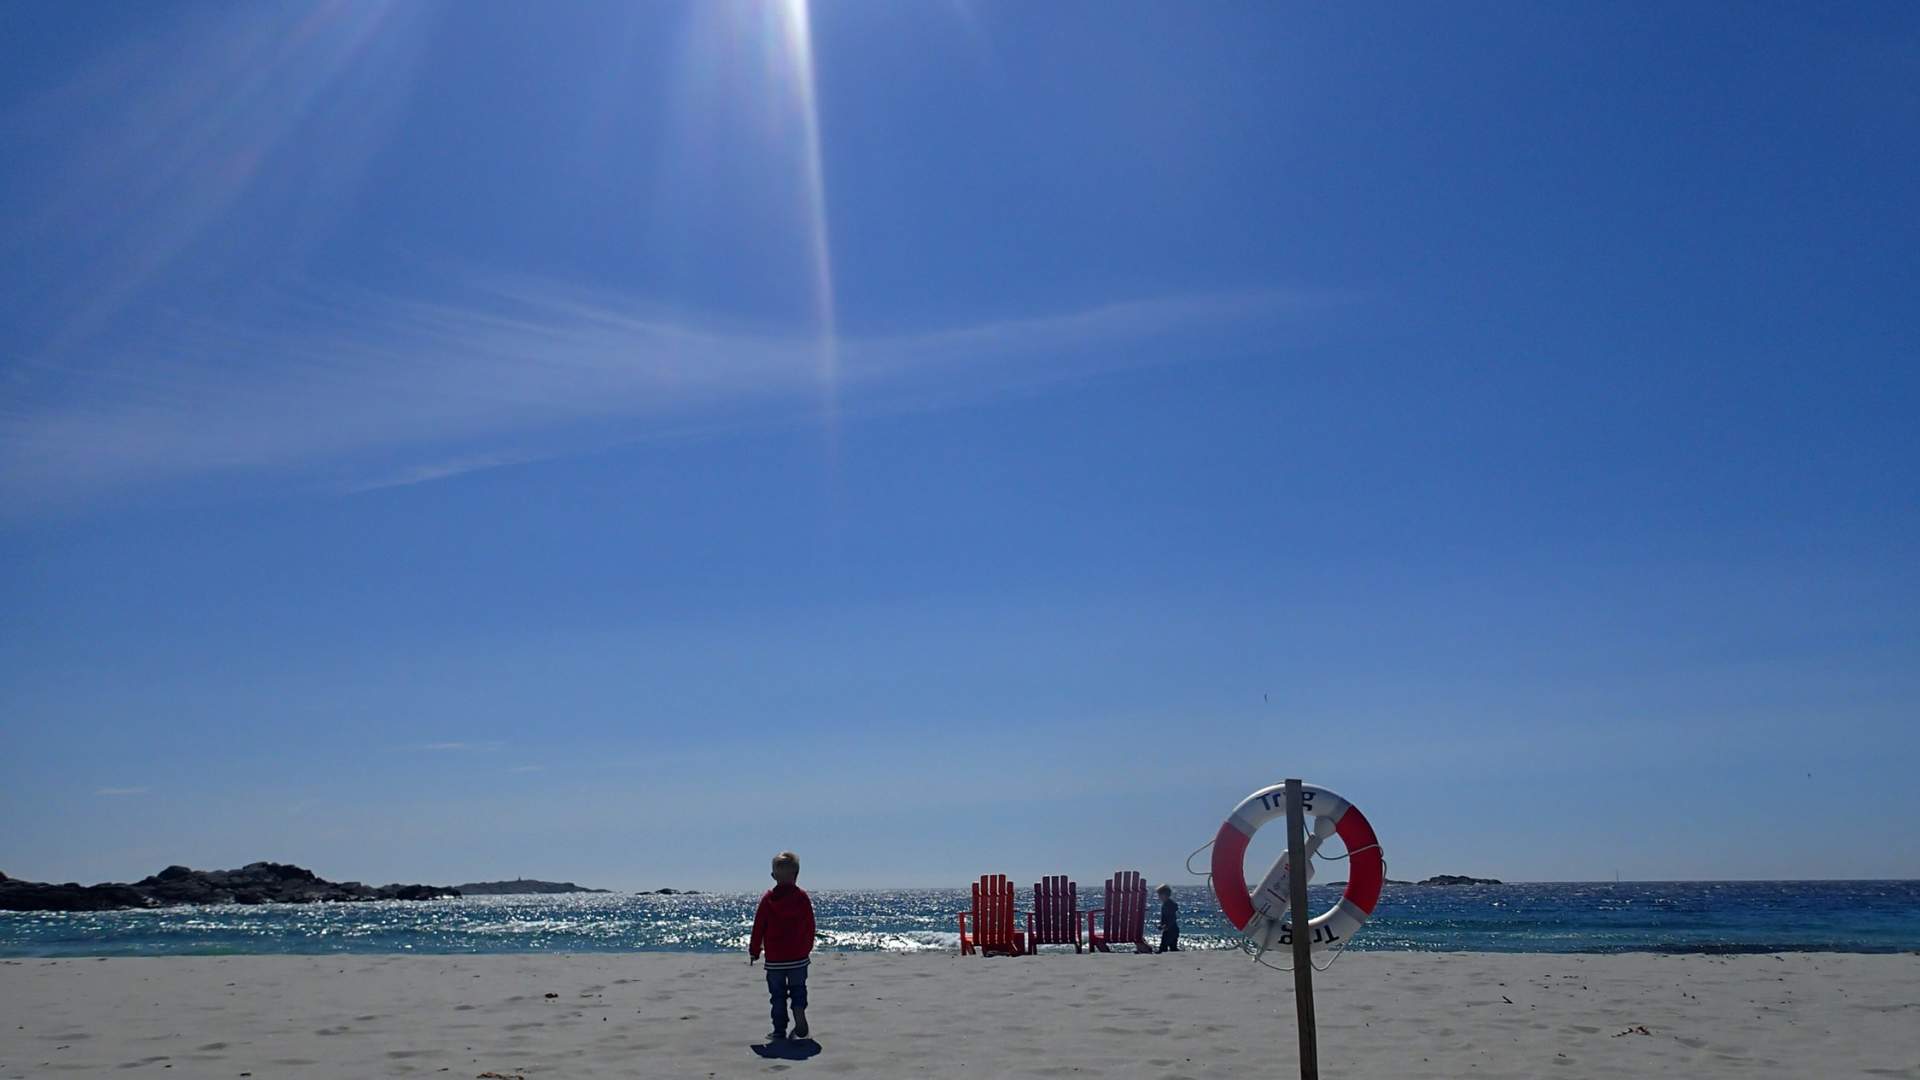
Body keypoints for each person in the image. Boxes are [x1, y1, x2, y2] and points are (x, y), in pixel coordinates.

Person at [748, 850, 816, 1040]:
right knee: (798, 988)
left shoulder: (769, 899)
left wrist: (754, 950)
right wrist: (806, 948)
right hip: (798, 957)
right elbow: (810, 925)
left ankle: (779, 1030)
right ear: (797, 875)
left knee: (777, 996)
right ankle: (798, 1009)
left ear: (773, 876)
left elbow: (759, 926)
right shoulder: (802, 898)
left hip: (775, 959)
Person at [1155, 883, 1179, 952]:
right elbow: (1164, 918)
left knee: (1165, 947)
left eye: (1160, 895)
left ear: (1165, 895)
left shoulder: (1169, 905)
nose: (1159, 897)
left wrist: (1167, 926)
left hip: (1172, 930)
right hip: (1168, 929)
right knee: (1170, 947)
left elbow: (1172, 918)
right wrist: (1162, 925)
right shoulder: (1164, 905)